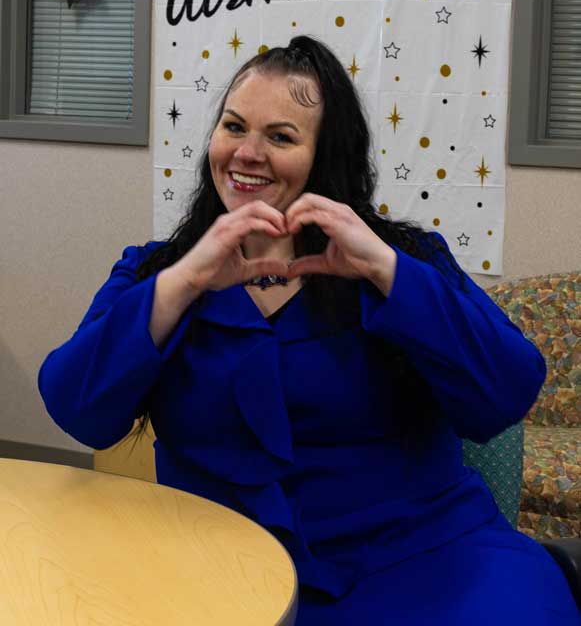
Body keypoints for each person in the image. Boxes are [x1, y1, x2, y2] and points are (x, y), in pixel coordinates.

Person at [38, 36, 580, 624]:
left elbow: (507, 390)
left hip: (420, 555)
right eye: (233, 127)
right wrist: (186, 277)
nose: (247, 153)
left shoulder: (403, 256)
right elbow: (78, 410)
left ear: (326, 156)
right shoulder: (155, 270)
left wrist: (383, 269)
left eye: (280, 137)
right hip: (216, 561)